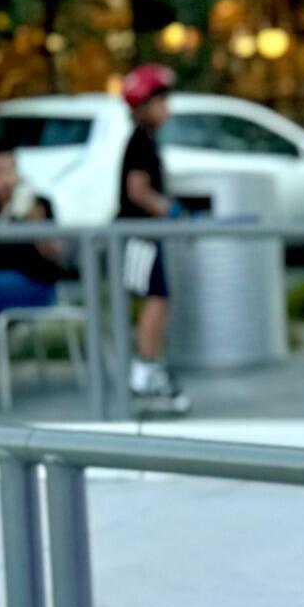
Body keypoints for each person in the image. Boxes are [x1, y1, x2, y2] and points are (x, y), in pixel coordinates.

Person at [0, 146, 71, 413]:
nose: (4, 178)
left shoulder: (37, 204)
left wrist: (34, 221)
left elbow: (56, 254)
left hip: (33, 286)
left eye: (10, 170)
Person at [116, 64, 190, 416]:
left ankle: (150, 365)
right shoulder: (140, 142)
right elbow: (137, 190)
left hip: (147, 234)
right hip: (139, 235)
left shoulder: (146, 140)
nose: (167, 109)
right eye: (161, 101)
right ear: (144, 105)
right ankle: (144, 369)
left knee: (160, 296)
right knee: (155, 298)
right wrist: (170, 210)